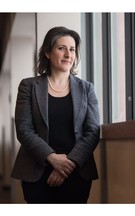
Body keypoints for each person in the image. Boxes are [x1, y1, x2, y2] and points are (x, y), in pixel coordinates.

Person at [11, 26, 100, 203]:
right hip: (37, 173)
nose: (68, 54)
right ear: (47, 53)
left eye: (72, 49)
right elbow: (24, 129)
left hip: (76, 172)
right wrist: (52, 158)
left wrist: (68, 164)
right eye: (61, 48)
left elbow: (92, 131)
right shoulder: (28, 86)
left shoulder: (86, 89)